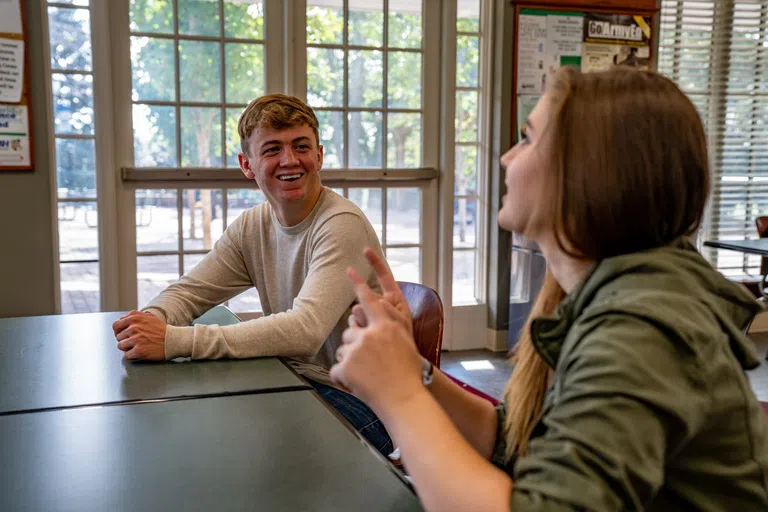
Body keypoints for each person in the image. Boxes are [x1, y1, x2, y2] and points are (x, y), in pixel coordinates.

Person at [330, 67, 768, 510]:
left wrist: (399, 393)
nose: (505, 158)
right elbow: (516, 442)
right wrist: (417, 371)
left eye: (526, 138)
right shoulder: (618, 294)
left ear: (588, 171)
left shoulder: (640, 328)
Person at [112, 94, 393, 456]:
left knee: (227, 446)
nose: (289, 160)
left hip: (362, 405)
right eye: (272, 149)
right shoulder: (253, 226)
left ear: (319, 155)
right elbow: (191, 291)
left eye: (301, 146)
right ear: (247, 164)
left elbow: (305, 330)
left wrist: (173, 341)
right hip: (294, 379)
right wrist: (151, 321)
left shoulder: (341, 224)